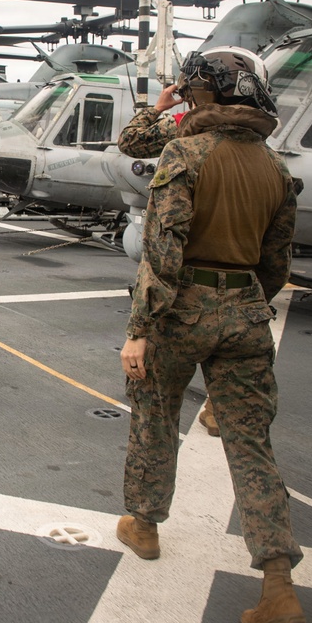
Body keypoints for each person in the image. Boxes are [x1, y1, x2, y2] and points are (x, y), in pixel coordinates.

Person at [117, 47, 306, 623]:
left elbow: (164, 244)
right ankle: (277, 582)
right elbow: (277, 263)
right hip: (248, 313)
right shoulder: (274, 167)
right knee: (252, 444)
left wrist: (140, 330)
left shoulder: (186, 151)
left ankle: (144, 525)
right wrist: (248, 303)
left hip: (182, 309)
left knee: (154, 410)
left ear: (202, 94)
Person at [117, 83, 220, 437]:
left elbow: (130, 141)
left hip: (185, 296)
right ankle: (218, 410)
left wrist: (158, 106)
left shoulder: (182, 129)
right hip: (242, 300)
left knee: (154, 423)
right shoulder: (262, 152)